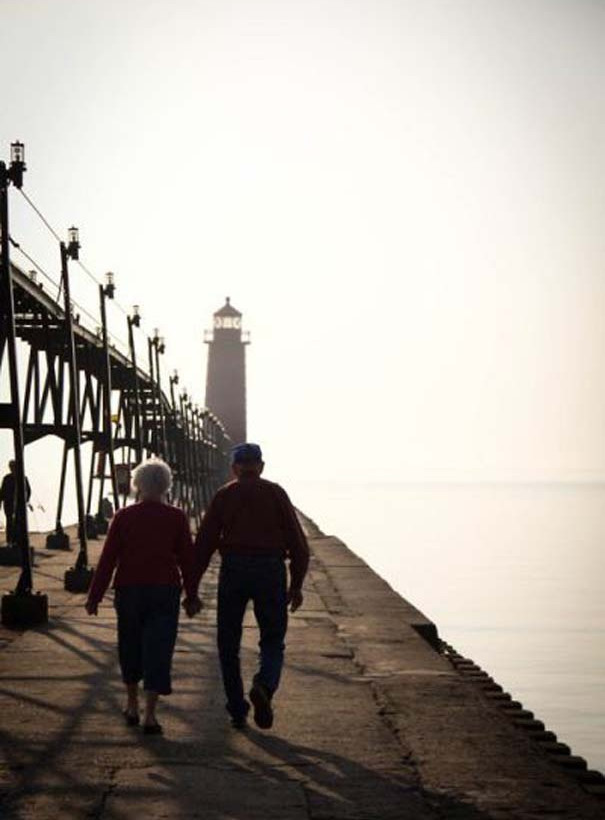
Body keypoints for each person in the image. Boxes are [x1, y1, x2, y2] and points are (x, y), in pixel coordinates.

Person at [194, 442, 310, 730]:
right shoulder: (275, 493)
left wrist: (192, 588)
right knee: (272, 638)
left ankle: (236, 709)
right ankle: (265, 685)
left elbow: (204, 544)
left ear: (235, 468)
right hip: (270, 569)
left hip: (234, 569)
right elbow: (298, 544)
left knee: (228, 642)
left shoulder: (224, 495)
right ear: (260, 466)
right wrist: (295, 585)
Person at [85, 458, 201, 734]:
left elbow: (108, 560)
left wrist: (94, 596)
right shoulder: (176, 517)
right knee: (159, 649)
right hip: (165, 590)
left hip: (130, 590)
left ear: (137, 484)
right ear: (166, 485)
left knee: (130, 646)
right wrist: (192, 595)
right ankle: (150, 715)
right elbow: (188, 559)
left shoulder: (123, 516)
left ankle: (132, 704)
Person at [0, 460, 31, 546]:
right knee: (10, 523)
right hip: (9, 505)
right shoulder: (7, 478)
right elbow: (2, 493)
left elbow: (28, 491)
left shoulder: (23, 478)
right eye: (11, 467)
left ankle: (18, 540)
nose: (12, 469)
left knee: (19, 522)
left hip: (19, 505)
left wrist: (26, 500)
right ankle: (10, 541)